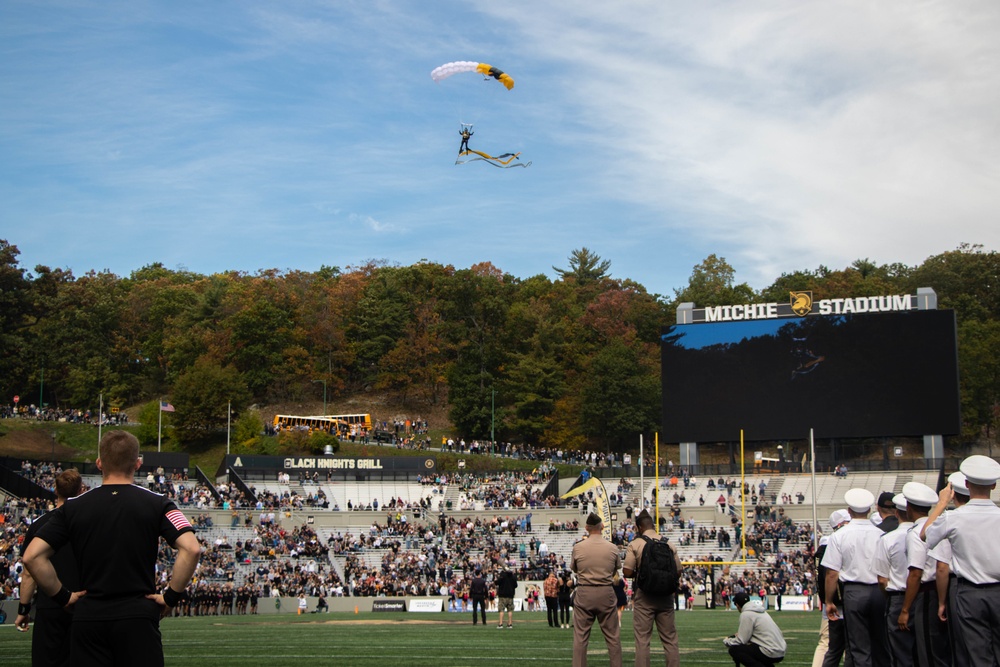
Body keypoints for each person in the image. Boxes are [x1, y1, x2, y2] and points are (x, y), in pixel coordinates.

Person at [23, 430, 202, 667]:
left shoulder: (73, 508)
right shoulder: (158, 503)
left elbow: (32, 556)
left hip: (89, 618)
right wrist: (170, 597)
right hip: (137, 617)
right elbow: (192, 549)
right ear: (138, 463)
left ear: (99, 463)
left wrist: (63, 597)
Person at [922, 455, 1000, 666]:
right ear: (993, 484)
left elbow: (924, 535)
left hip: (970, 592)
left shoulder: (954, 517)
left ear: (966, 484)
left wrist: (941, 503)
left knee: (977, 654)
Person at [15, 469, 83, 667]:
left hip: (50, 605)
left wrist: (23, 609)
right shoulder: (90, 522)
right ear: (81, 490)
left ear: (55, 489)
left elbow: (28, 573)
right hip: (83, 604)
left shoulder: (40, 524)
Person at [821, 488, 889, 667]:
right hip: (879, 590)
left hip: (854, 591)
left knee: (859, 647)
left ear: (849, 511)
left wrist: (829, 601)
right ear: (869, 510)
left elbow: (832, 573)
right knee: (881, 645)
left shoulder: (839, 535)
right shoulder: (880, 534)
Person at [898, 482, 949, 667]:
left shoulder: (916, 533)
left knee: (928, 650)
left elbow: (916, 573)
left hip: (928, 593)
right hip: (946, 589)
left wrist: (905, 610)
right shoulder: (943, 524)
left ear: (909, 508)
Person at [623, 508, 680, 667]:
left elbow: (627, 571)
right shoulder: (668, 543)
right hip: (666, 597)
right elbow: (679, 570)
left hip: (644, 596)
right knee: (670, 639)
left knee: (642, 640)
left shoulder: (636, 544)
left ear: (639, 527)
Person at [571, 512, 622, 667]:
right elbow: (616, 571)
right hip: (606, 592)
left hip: (585, 592)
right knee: (613, 637)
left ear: (586, 528)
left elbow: (574, 569)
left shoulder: (578, 547)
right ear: (602, 527)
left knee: (580, 637)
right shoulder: (612, 548)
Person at [873, 493, 914, 667]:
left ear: (897, 513)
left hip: (897, 596)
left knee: (899, 653)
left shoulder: (888, 538)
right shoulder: (926, 533)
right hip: (926, 595)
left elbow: (882, 580)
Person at [811, 509, 851, 667]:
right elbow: (832, 574)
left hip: (831, 601)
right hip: (846, 599)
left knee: (827, 644)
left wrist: (827, 600)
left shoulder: (825, 544)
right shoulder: (841, 540)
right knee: (851, 642)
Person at [724, 591, 787, 667]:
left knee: (735, 650)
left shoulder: (746, 614)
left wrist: (727, 640)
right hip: (780, 649)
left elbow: (741, 640)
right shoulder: (761, 611)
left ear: (737, 605)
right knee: (753, 651)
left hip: (770, 651)